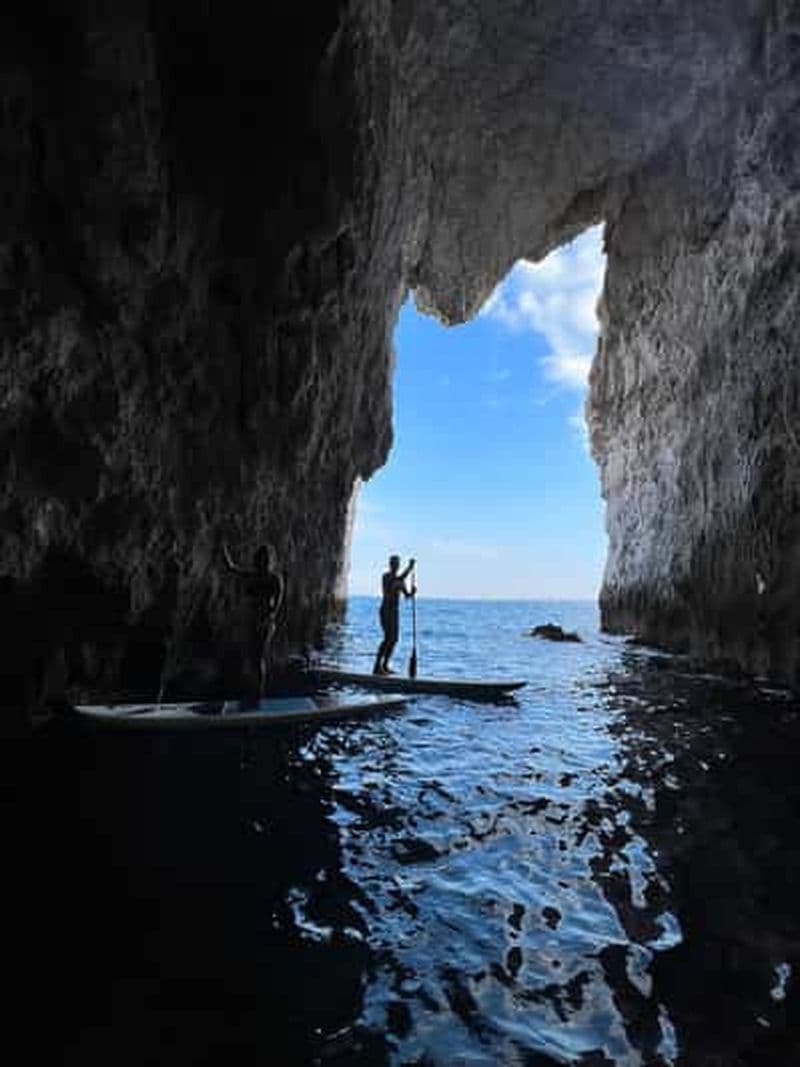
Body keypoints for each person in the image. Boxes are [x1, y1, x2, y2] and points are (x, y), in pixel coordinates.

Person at [223, 540, 284, 698]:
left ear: (269, 560)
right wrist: (222, 548)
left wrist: (266, 618)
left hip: (264, 622)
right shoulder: (252, 575)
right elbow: (231, 568)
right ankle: (251, 692)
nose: (262, 561)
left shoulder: (274, 579)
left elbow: (277, 605)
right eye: (260, 558)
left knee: (257, 658)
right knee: (250, 658)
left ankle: (258, 695)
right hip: (250, 619)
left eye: (265, 558)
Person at [373, 555, 415, 675]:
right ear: (390, 564)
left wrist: (412, 593)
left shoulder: (400, 582)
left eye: (397, 564)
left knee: (394, 640)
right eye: (393, 563)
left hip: (395, 612)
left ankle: (385, 665)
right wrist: (410, 568)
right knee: (387, 638)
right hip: (386, 611)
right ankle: (377, 666)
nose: (395, 566)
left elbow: (407, 596)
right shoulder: (386, 577)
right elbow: (395, 583)